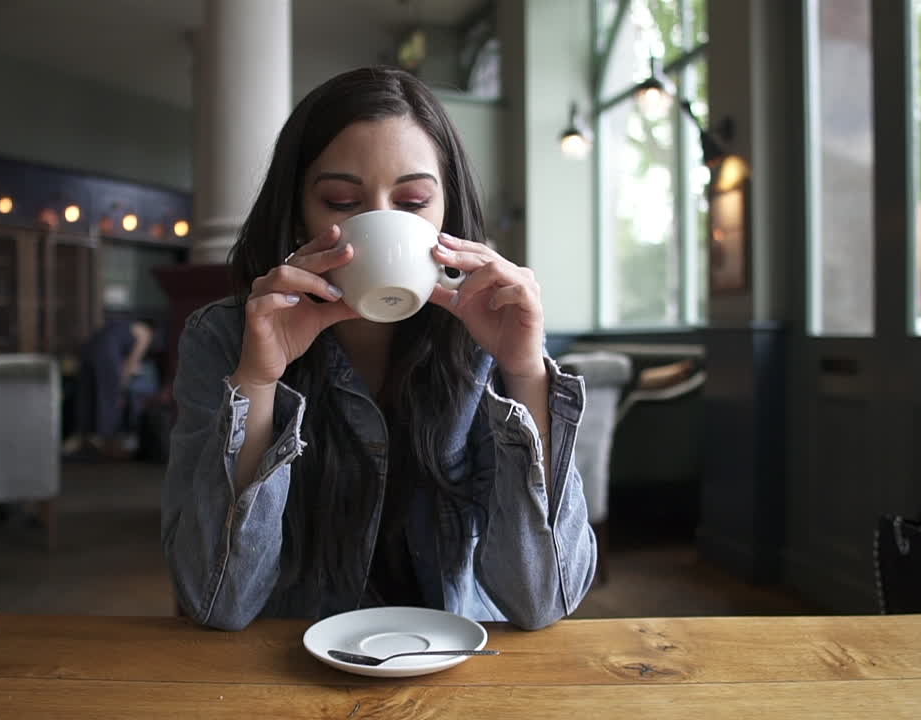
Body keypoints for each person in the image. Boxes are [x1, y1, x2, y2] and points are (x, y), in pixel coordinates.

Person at [162, 66, 596, 631]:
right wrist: (259, 381)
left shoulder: (487, 335)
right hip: (289, 675)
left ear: (447, 215)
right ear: (298, 216)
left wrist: (525, 371)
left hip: (456, 672)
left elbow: (541, 600)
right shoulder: (225, 337)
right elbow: (216, 603)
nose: (379, 224)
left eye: (413, 202)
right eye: (341, 201)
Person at [66, 317, 156, 459]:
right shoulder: (145, 333)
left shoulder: (122, 324)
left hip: (89, 349)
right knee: (109, 398)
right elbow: (133, 360)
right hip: (107, 351)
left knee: (86, 396)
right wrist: (123, 382)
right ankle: (105, 442)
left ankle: (84, 438)